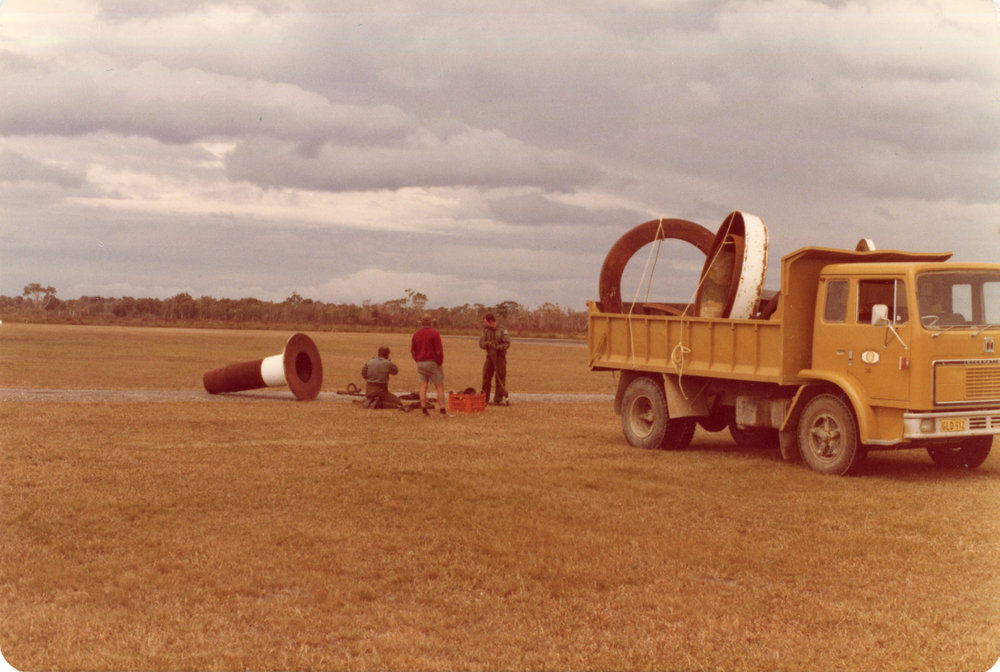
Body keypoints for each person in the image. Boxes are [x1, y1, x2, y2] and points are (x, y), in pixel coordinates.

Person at [411, 313, 447, 416]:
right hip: (432, 362)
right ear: (431, 322)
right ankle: (442, 410)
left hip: (420, 363)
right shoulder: (435, 333)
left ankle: (424, 409)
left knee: (423, 386)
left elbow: (413, 351)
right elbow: (439, 351)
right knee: (439, 386)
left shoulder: (416, 334)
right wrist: (439, 363)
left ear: (421, 323)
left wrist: (417, 360)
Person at [479, 312, 510, 405]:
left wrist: (497, 347)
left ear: (491, 321)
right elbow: (481, 343)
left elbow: (507, 343)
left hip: (500, 357)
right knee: (486, 377)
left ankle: (497, 400)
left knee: (500, 377)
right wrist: (488, 344)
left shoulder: (502, 330)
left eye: (485, 322)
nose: (484, 324)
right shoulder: (485, 331)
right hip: (489, 357)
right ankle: (484, 399)